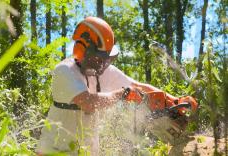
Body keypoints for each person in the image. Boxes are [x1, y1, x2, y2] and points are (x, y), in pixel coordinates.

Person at [37, 16, 197, 155]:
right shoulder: (64, 71)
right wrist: (122, 94)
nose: (103, 64)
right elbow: (88, 102)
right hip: (54, 152)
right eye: (99, 58)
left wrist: (171, 100)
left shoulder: (101, 71)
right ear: (82, 50)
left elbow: (136, 85)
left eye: (105, 59)